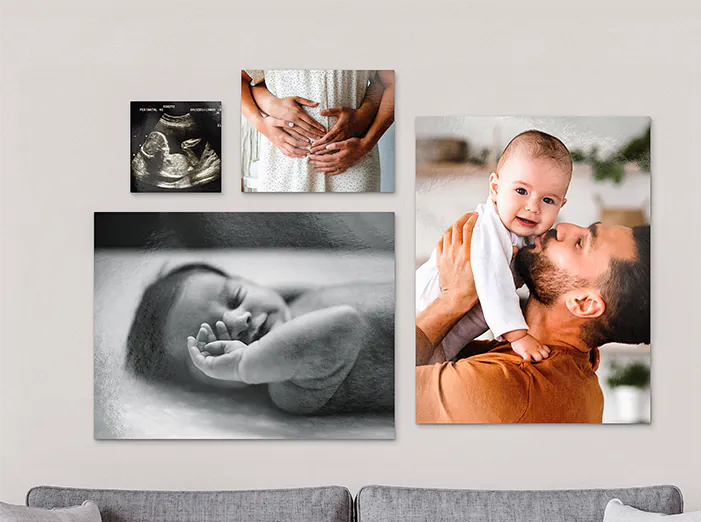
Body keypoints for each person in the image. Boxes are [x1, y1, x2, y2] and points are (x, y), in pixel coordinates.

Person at [415, 212, 650, 423]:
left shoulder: (506, 387)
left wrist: (453, 299)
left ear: (584, 304)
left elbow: (380, 381)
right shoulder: (573, 373)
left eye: (580, 243)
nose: (564, 226)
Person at [125, 263, 394, 415]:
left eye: (235, 297)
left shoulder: (295, 303)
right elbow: (345, 324)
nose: (240, 320)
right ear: (208, 383)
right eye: (214, 337)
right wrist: (243, 363)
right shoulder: (289, 389)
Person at [415, 130, 571, 364]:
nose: (532, 207)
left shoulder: (524, 238)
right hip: (418, 322)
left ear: (561, 205)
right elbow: (495, 282)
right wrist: (518, 335)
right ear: (495, 188)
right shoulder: (487, 229)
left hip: (442, 342)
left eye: (548, 200)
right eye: (521, 191)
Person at [240, 69, 394, 192]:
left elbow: (392, 82)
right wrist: (261, 124)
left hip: (352, 161)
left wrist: (366, 144)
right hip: (285, 166)